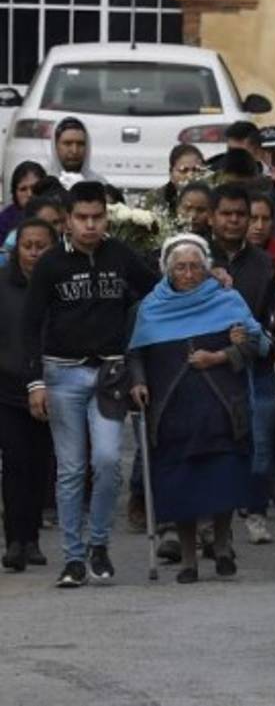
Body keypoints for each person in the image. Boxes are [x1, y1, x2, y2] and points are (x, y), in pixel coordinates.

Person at [21, 181, 159, 587]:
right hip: (61, 374)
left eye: (97, 217)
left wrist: (204, 276)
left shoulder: (121, 255)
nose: (90, 225)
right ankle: (73, 558)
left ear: (107, 217)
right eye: (82, 218)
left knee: (108, 460)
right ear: (66, 220)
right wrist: (34, 382)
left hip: (110, 374)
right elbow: (29, 325)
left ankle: (99, 544)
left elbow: (156, 290)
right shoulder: (50, 264)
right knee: (71, 469)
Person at [128, 235, 265, 584]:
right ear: (167, 270)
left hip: (220, 409)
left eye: (194, 267)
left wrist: (221, 356)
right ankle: (188, 560)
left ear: (207, 269)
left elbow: (256, 345)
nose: (188, 274)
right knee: (181, 488)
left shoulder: (227, 299)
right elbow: (136, 353)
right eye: (180, 268)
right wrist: (138, 382)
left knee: (222, 481)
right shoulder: (151, 307)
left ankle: (222, 545)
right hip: (172, 412)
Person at [208, 185, 275, 545]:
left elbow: (272, 316)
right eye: (227, 213)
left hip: (256, 365)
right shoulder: (196, 257)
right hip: (208, 366)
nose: (234, 220)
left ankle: (255, 511)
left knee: (260, 445)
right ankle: (209, 519)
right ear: (212, 217)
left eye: (241, 214)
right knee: (212, 443)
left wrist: (255, 338)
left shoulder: (264, 263)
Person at [0, 219, 57, 571]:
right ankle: (14, 540)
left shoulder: (58, 285)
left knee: (40, 463)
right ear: (16, 248)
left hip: (51, 384)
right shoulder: (3, 283)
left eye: (41, 246)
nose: (34, 253)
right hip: (7, 387)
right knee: (15, 462)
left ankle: (32, 537)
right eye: (27, 246)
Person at [48, 117, 106, 185]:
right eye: (68, 144)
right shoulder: (42, 181)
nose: (74, 151)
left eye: (80, 144)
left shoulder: (98, 184)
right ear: (56, 145)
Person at [0, 161, 48, 242]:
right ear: (15, 193)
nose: (29, 194)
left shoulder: (55, 213)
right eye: (23, 189)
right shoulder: (4, 220)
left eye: (34, 188)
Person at [151, 144, 205, 211]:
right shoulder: (153, 200)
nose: (190, 176)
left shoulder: (213, 199)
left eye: (196, 170)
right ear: (171, 173)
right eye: (184, 170)